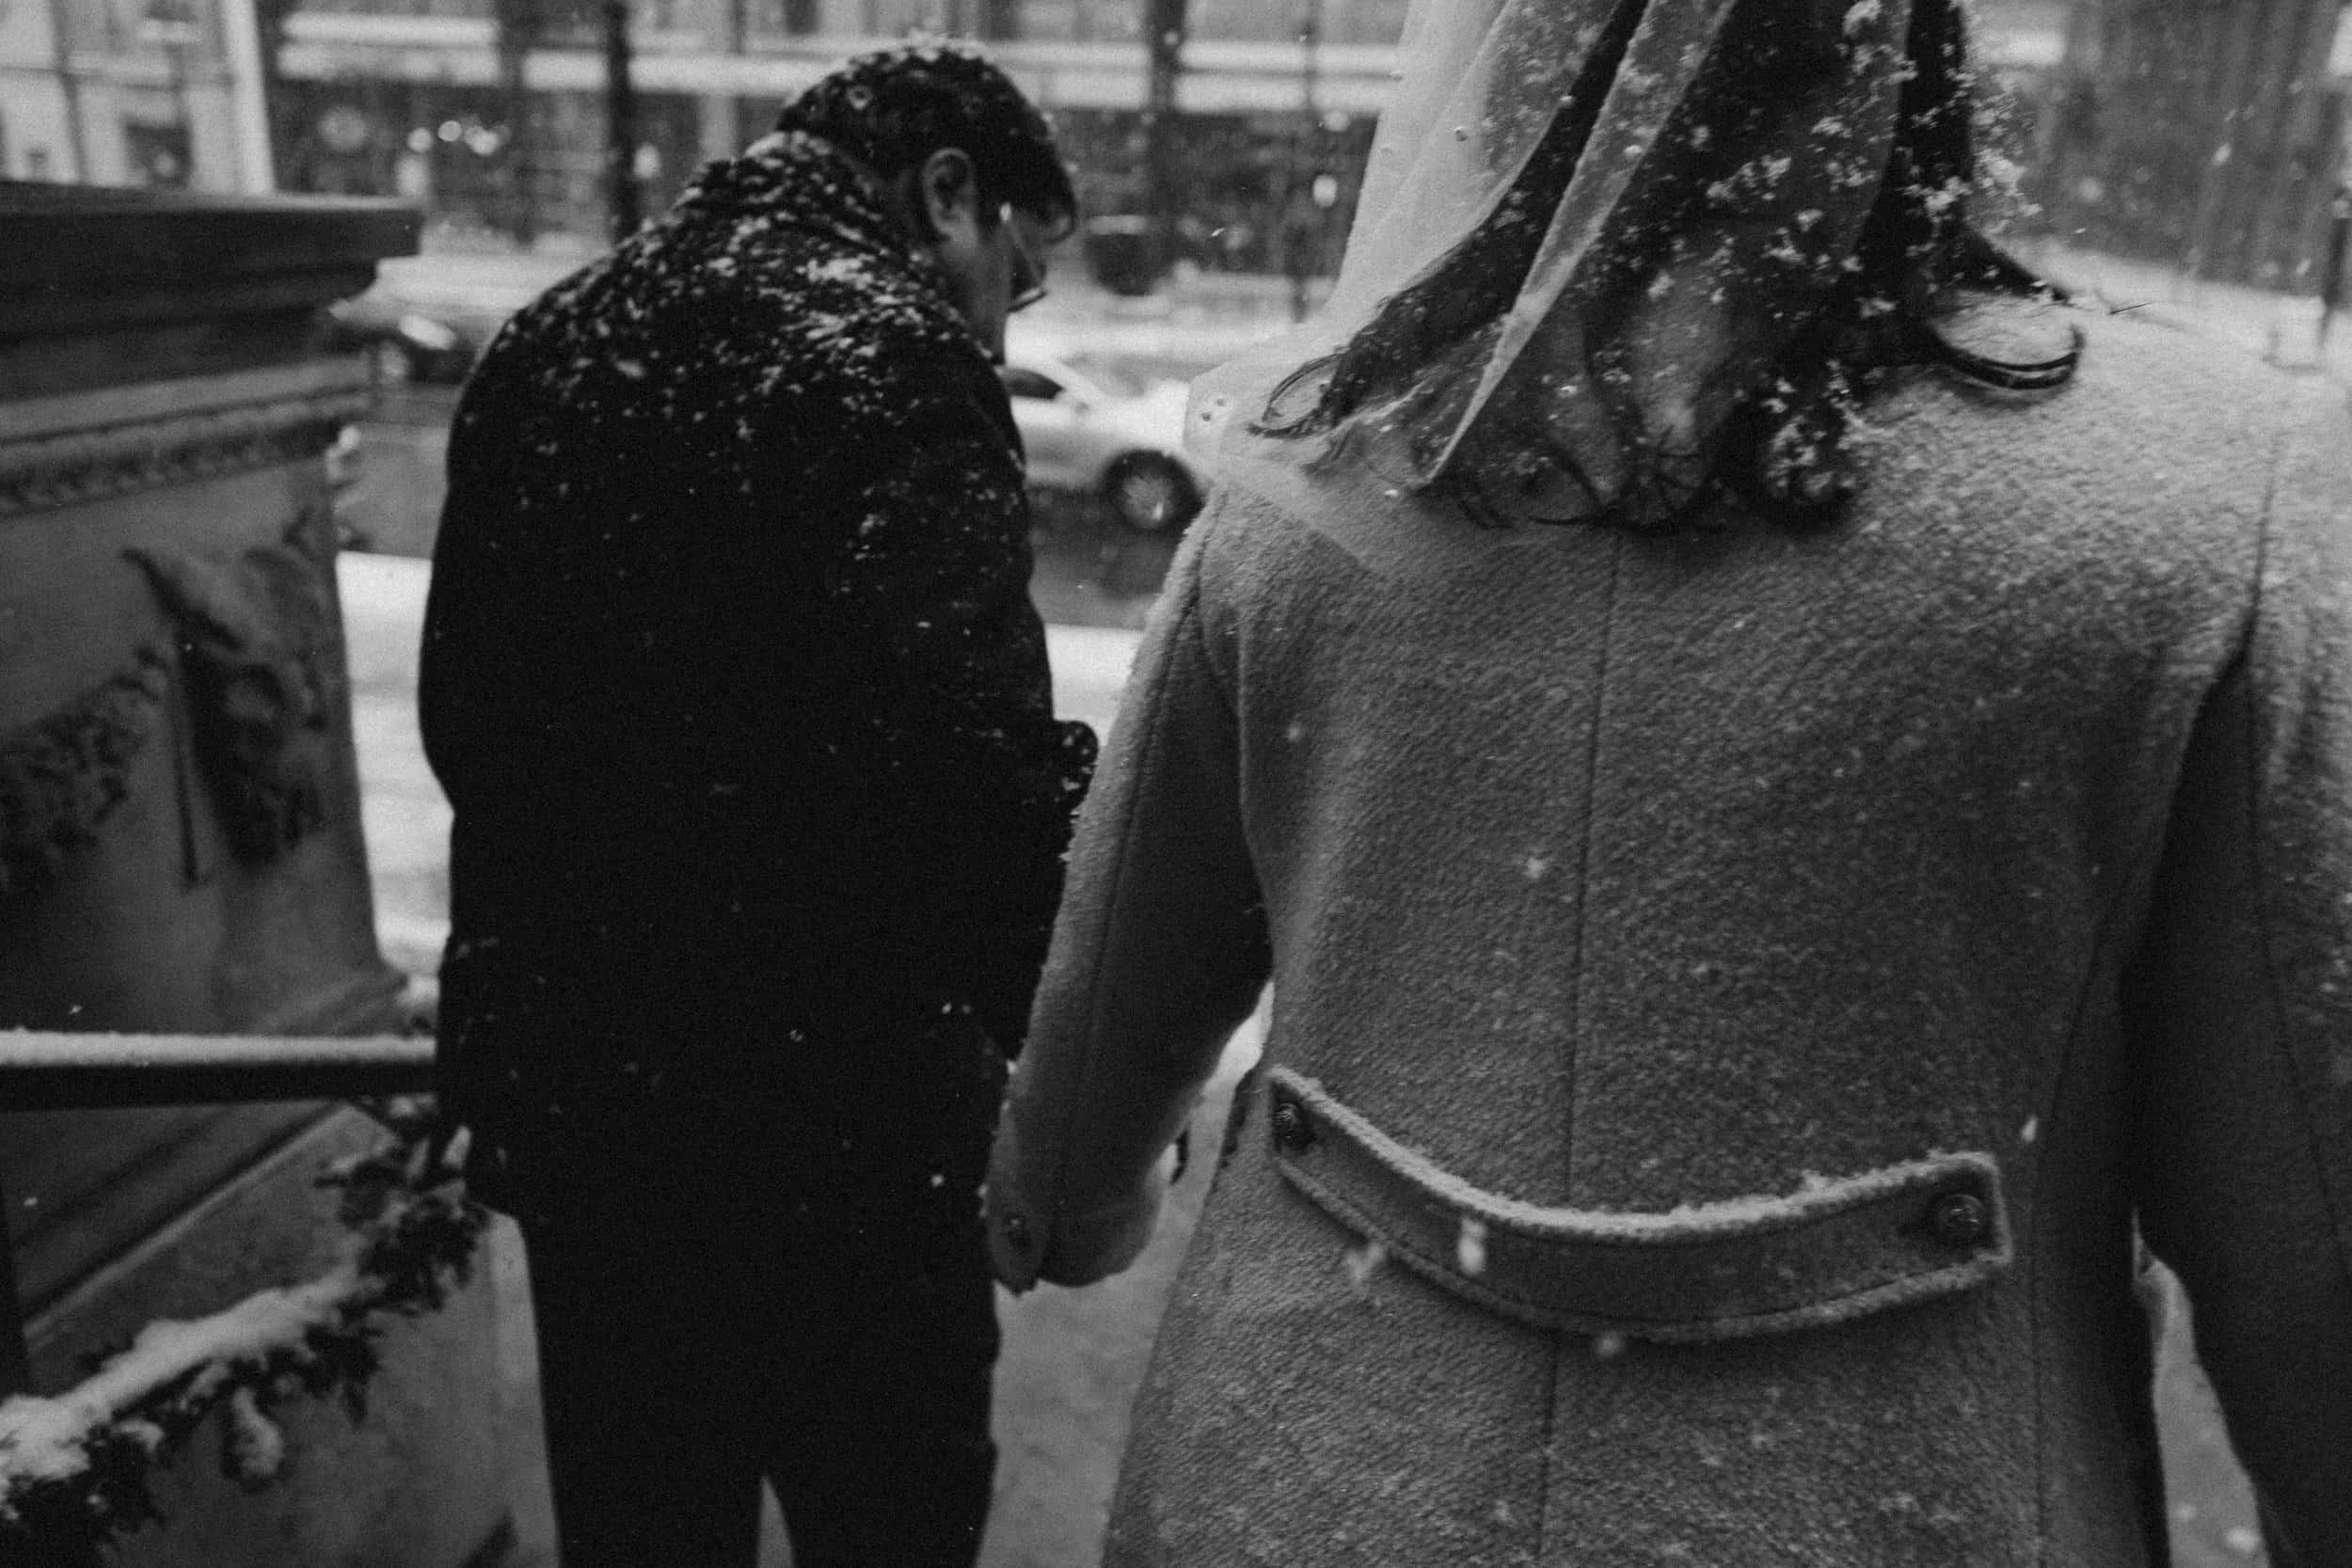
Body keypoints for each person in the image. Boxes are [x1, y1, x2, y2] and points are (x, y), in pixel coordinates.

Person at [983, 2, 2352, 1565]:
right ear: (1912, 75)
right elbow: (2309, 1233)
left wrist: (1066, 1200)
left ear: (1507, 84)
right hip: (1896, 1500)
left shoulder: (1318, 483)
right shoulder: (2205, 512)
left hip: (1302, 1478)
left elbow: (1115, 995)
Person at [419, 42, 1095, 1568]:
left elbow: (472, 720)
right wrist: (1075, 1077)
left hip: (595, 1130)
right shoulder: (894, 357)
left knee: (647, 1522)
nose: (1004, 321)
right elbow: (967, 786)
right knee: (887, 1520)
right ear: (947, 191)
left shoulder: (552, 339)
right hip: (838, 1144)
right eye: (1020, 274)